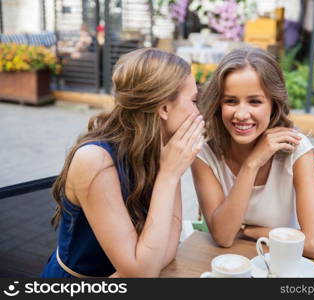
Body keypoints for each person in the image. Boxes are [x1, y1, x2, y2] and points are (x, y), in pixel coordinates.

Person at [41, 48, 204, 277]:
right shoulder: (96, 161)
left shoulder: (160, 150)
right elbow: (143, 272)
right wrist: (169, 175)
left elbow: (164, 253)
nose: (198, 113)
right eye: (194, 100)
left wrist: (170, 171)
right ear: (165, 108)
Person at [191, 47, 314, 259]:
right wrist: (252, 163)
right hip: (229, 266)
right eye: (231, 101)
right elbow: (224, 237)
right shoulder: (205, 154)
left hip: (280, 265)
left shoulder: (296, 150)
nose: (242, 114)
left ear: (273, 103)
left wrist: (248, 231)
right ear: (218, 104)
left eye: (255, 101)